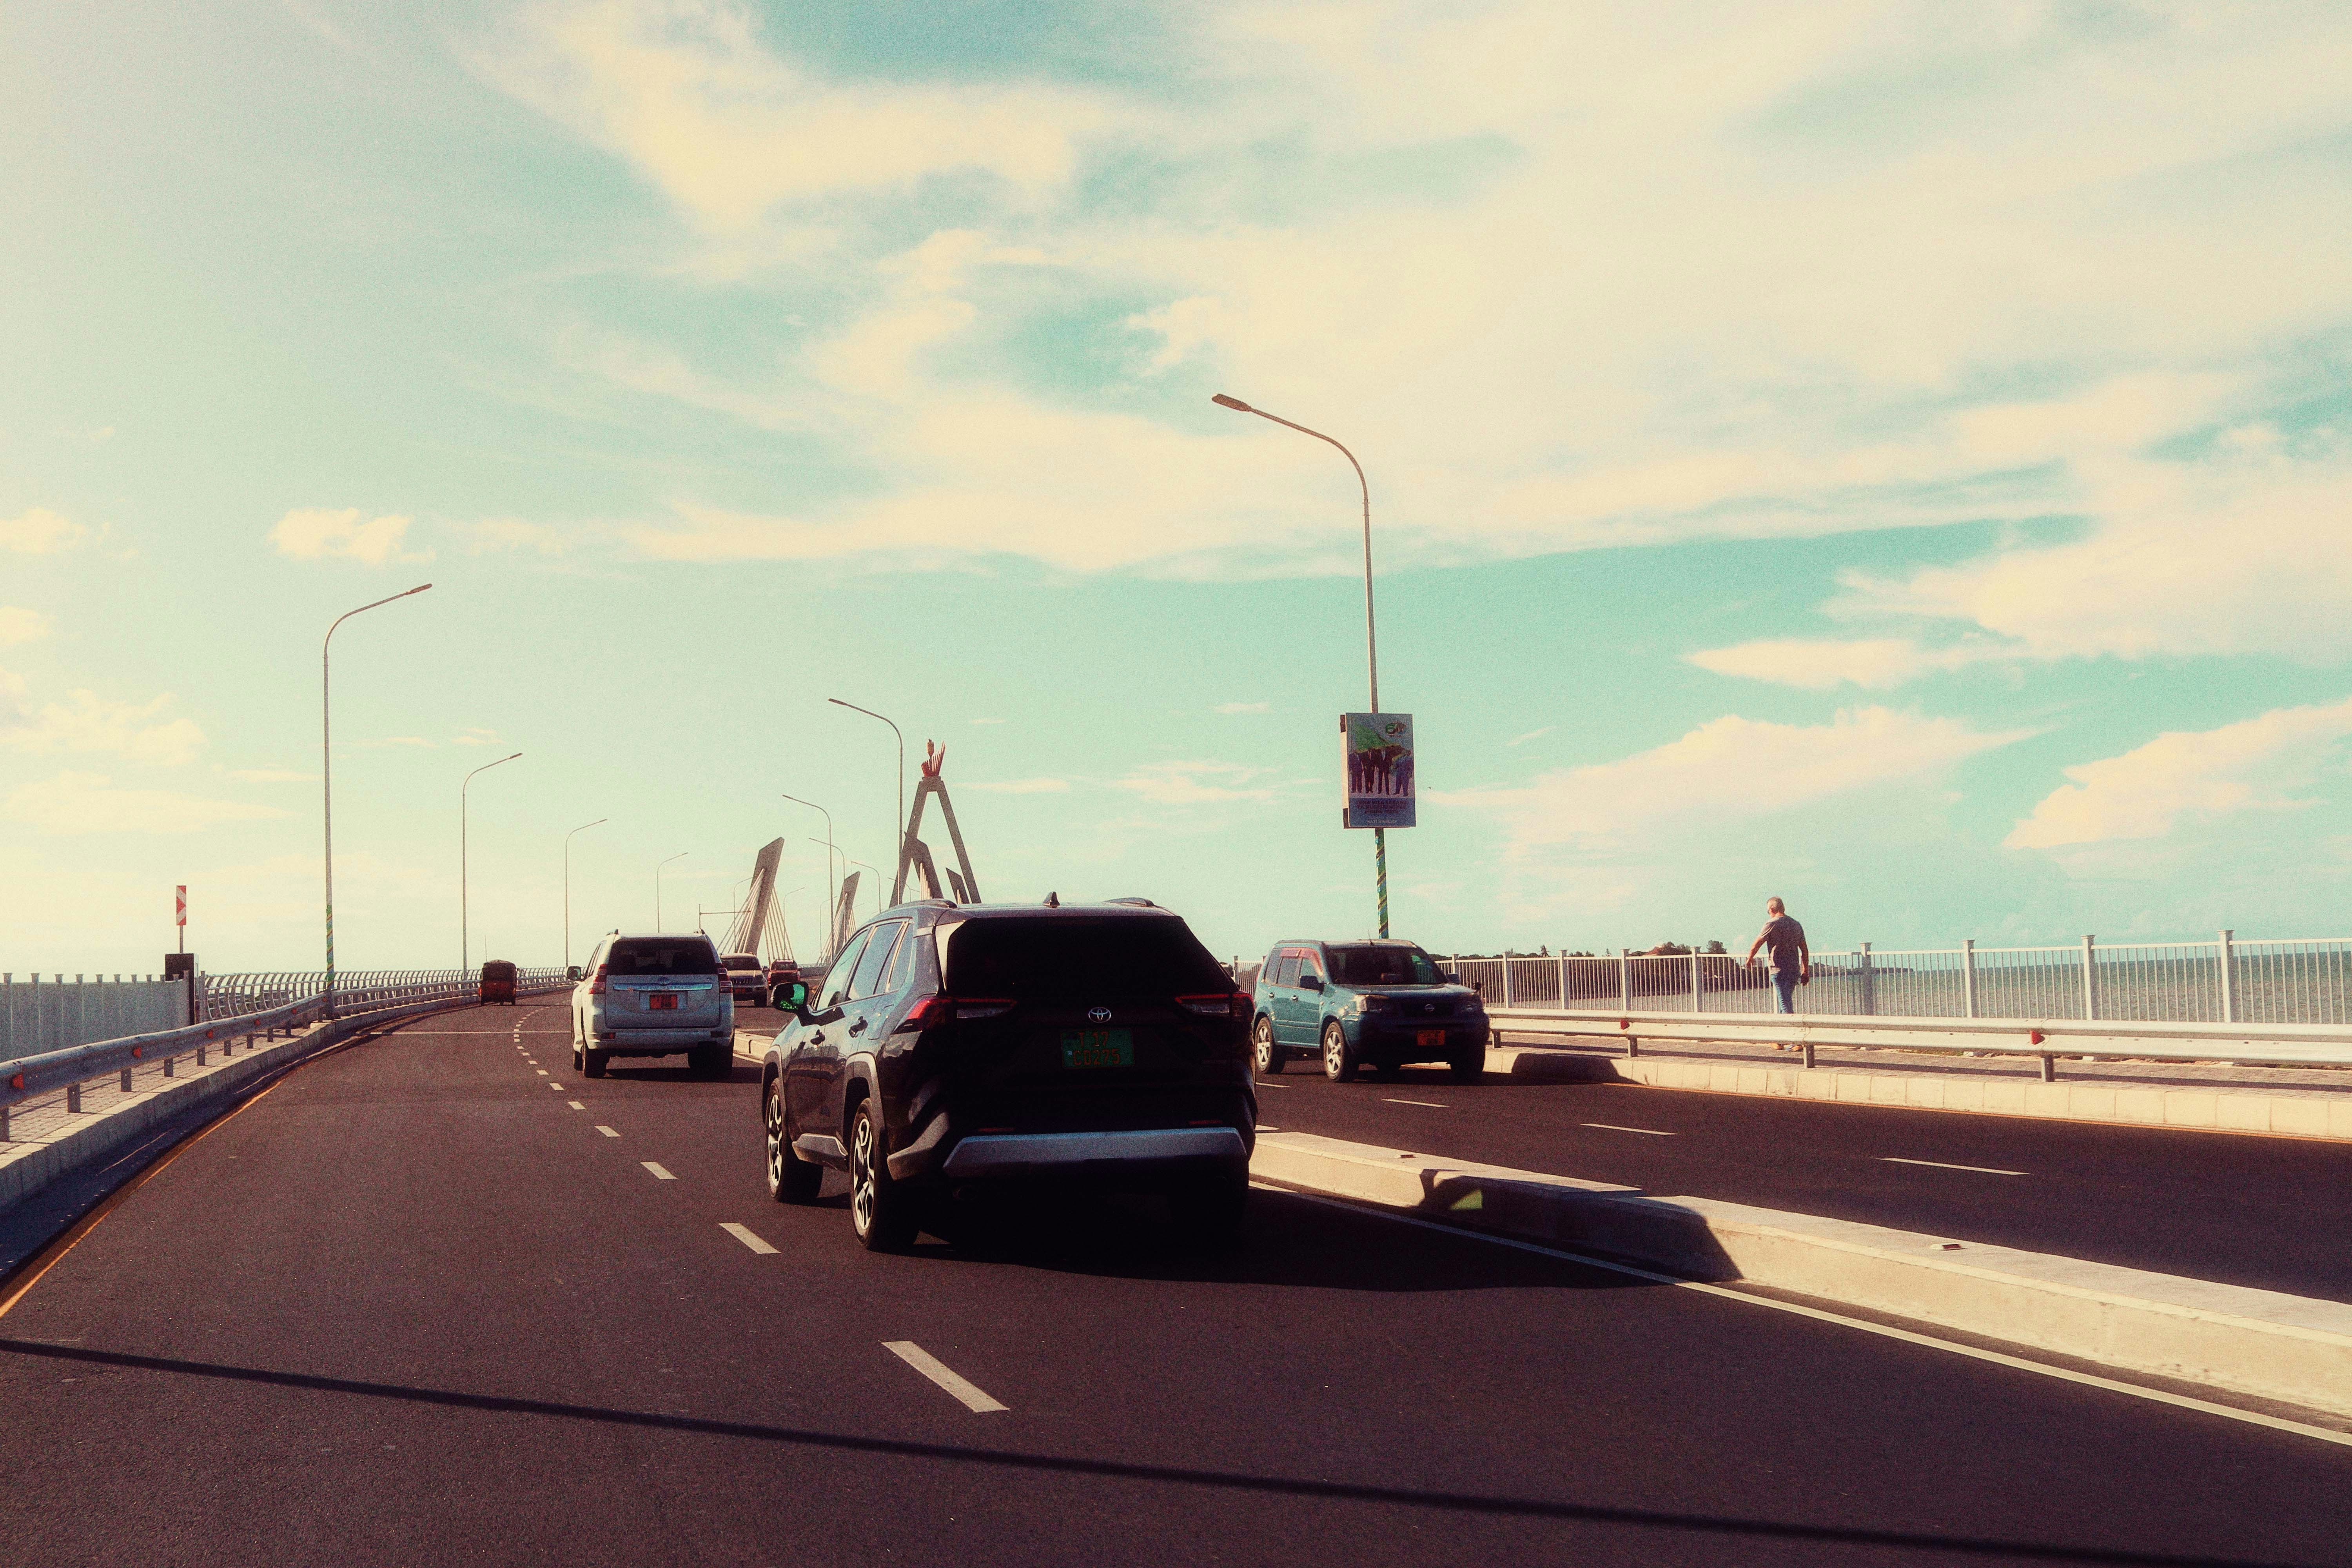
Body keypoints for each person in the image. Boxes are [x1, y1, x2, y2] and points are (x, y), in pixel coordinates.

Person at [1743, 897, 1810, 1016]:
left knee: (1786, 1006)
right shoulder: (1796, 924)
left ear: (1772, 909)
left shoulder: (1772, 923)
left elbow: (1757, 943)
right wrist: (1805, 971)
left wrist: (1750, 959)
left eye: (1768, 912)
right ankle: (1781, 1031)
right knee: (1784, 1003)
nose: (1769, 914)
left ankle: (1791, 1030)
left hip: (1778, 971)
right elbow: (1804, 950)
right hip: (1794, 971)